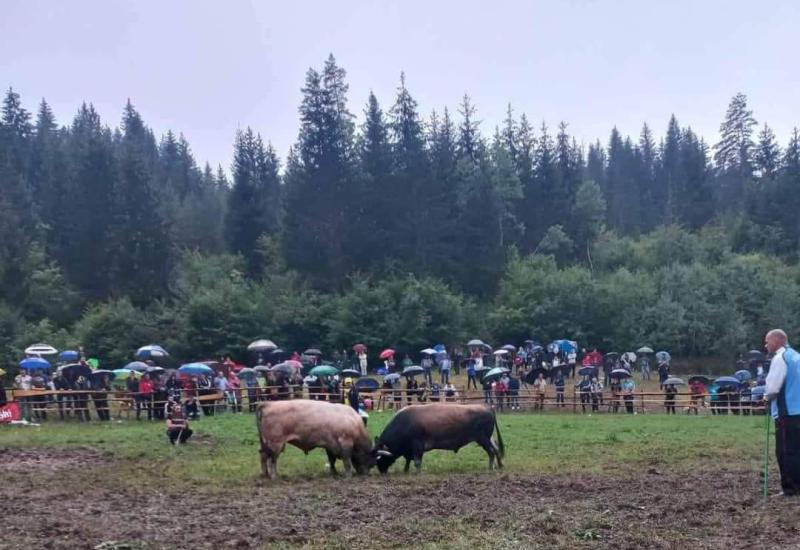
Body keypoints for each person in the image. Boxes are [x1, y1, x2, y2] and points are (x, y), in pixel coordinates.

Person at [764, 329, 800, 496]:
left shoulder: (780, 357)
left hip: (787, 411)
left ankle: (791, 488)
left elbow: (773, 387)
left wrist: (765, 398)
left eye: (768, 341)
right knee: (796, 448)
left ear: (777, 341)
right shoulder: (796, 356)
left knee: (785, 450)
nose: (766, 345)